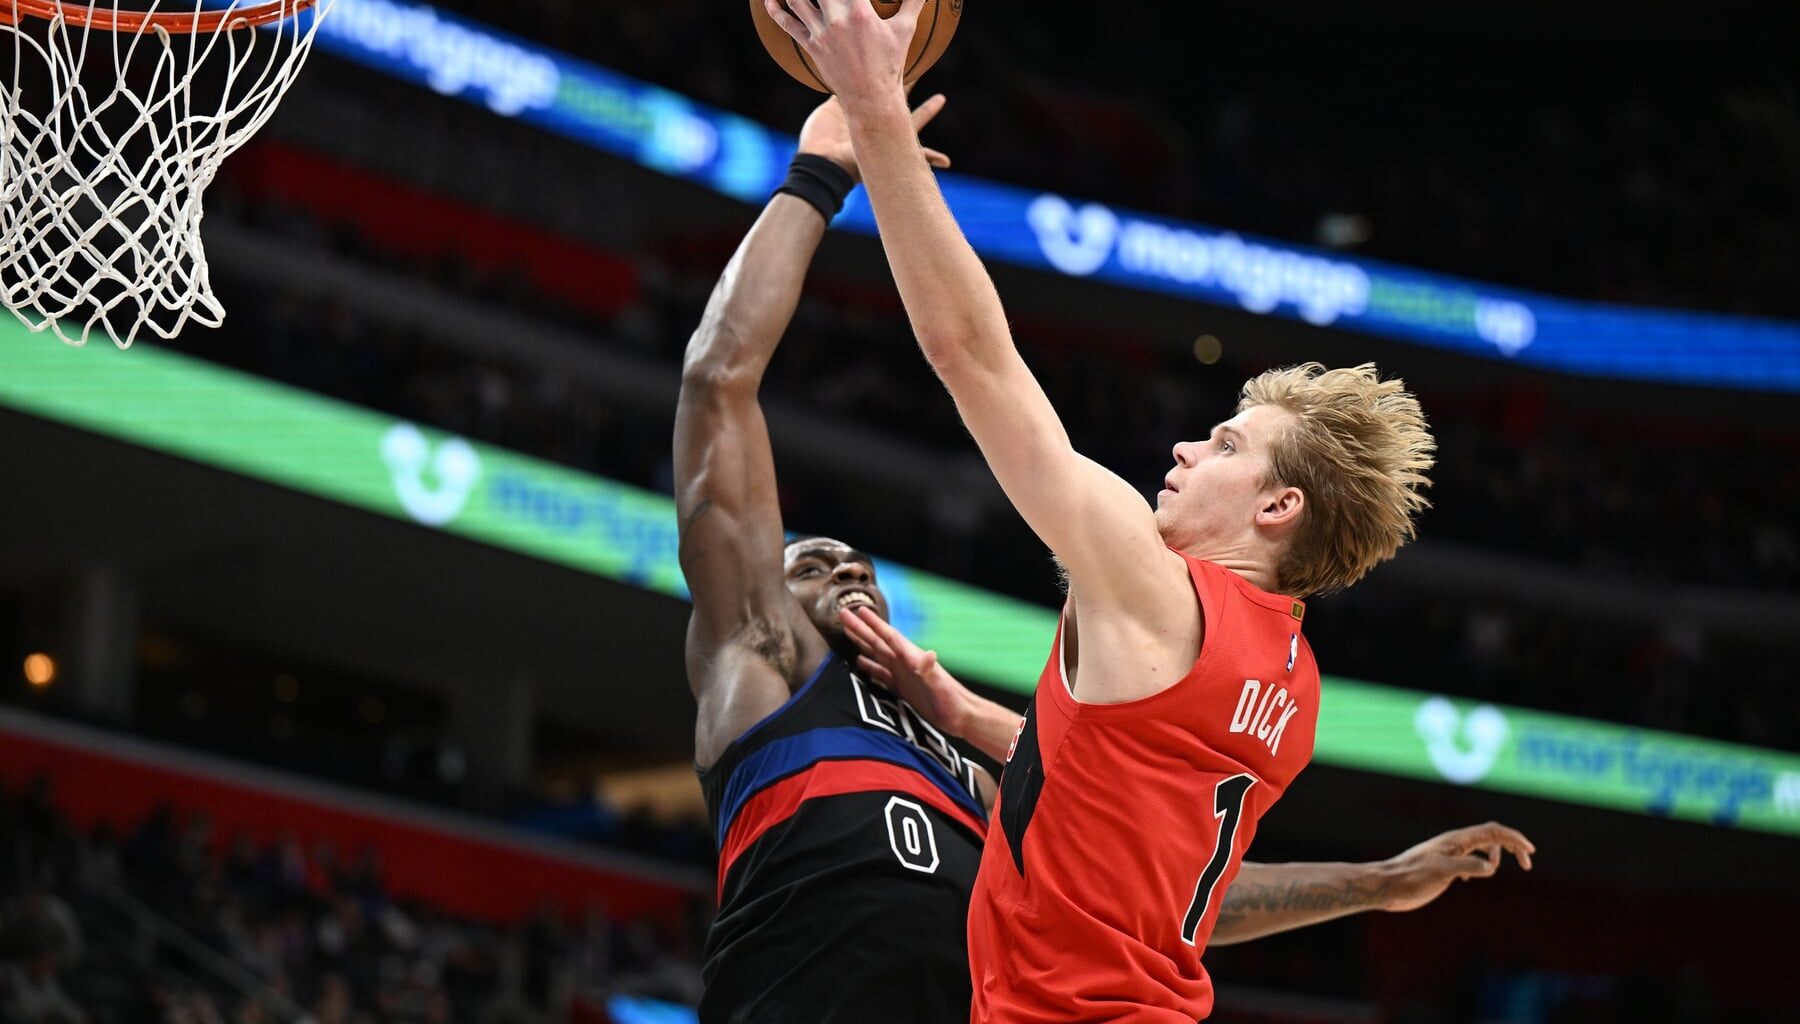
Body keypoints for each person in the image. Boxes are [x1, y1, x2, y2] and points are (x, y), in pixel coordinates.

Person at [676, 94, 1533, 1024]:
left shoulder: (996, 750)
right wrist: (816, 181)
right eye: (812, 563)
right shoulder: (766, 667)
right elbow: (717, 382)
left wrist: (858, 142)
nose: (845, 569)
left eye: (1226, 446)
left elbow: (1161, 894)